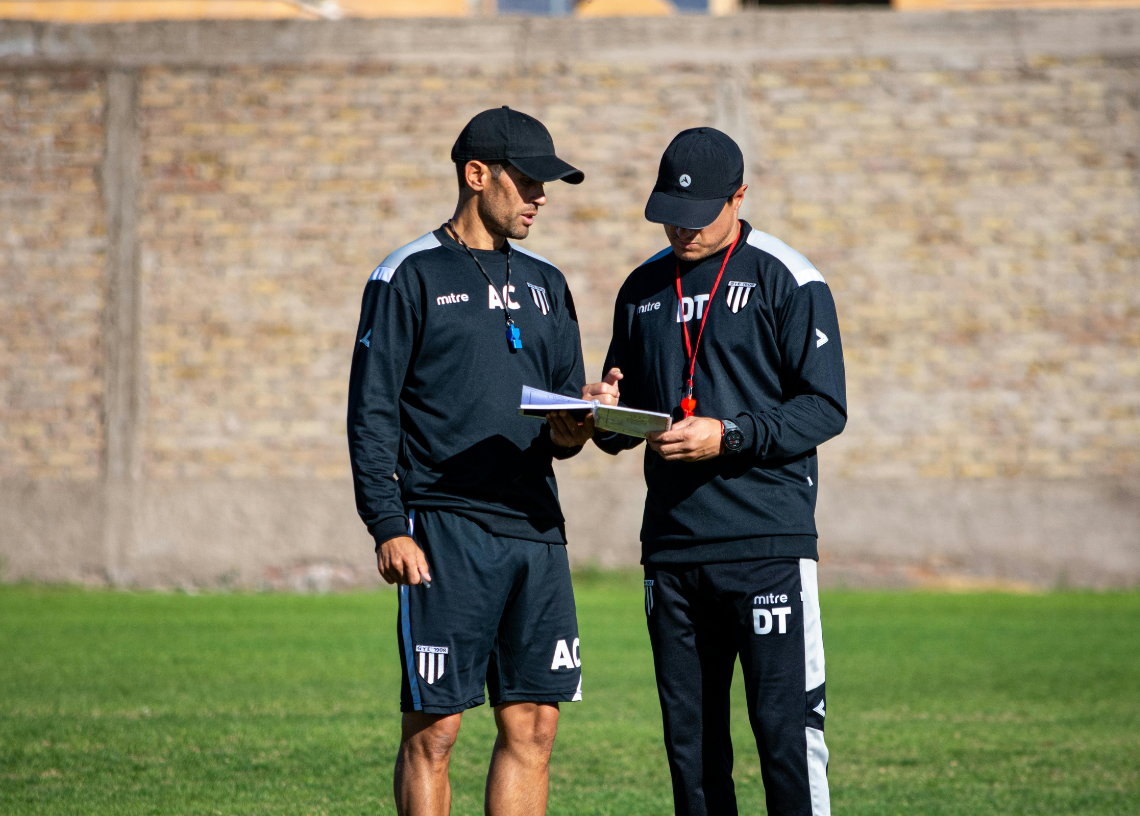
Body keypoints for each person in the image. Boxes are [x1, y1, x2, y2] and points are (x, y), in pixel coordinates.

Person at [583, 127, 847, 816]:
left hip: (766, 547)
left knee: (785, 736)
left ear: (739, 197)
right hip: (671, 552)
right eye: (670, 210)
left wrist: (727, 437)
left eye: (698, 215)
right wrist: (604, 412)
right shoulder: (642, 287)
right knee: (692, 748)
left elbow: (824, 409)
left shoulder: (788, 276)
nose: (681, 227)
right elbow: (626, 422)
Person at [347, 106, 593, 816]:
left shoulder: (550, 282)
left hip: (537, 532)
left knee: (536, 726)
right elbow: (371, 413)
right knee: (437, 730)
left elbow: (561, 432)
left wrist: (584, 417)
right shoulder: (407, 276)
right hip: (445, 530)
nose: (540, 197)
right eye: (527, 181)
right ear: (476, 175)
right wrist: (387, 524)